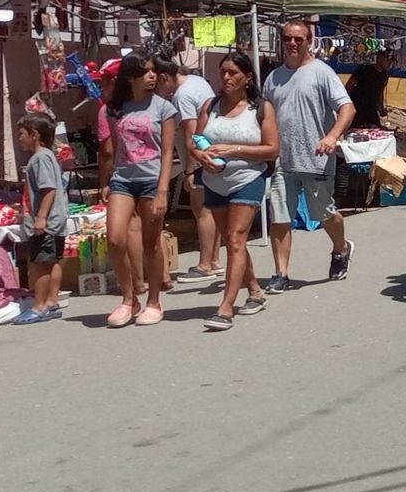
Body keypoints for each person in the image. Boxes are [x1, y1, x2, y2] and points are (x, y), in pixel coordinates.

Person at [263, 21, 355, 292]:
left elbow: (347, 108)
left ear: (309, 40)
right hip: (283, 161)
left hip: (315, 159)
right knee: (279, 217)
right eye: (287, 39)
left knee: (324, 214)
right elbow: (266, 117)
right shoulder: (273, 78)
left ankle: (341, 248)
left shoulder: (321, 73)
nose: (292, 44)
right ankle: (281, 273)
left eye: (298, 39)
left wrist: (332, 136)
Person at [195, 52, 279, 329]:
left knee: (235, 239)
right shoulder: (210, 105)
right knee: (234, 243)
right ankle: (254, 290)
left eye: (233, 73)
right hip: (214, 181)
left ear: (248, 77)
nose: (227, 78)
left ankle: (226, 307)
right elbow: (197, 141)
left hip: (248, 177)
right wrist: (201, 156)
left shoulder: (261, 108)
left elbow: (272, 149)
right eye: (223, 73)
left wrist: (235, 149)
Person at [102, 53, 179, 326]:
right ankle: (128, 297)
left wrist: (162, 190)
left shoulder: (163, 107)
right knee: (115, 238)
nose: (152, 76)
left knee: (151, 242)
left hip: (152, 179)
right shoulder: (116, 108)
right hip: (122, 178)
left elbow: (169, 151)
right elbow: (113, 148)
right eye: (146, 71)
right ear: (131, 76)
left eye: (153, 71)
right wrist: (106, 181)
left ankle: (154, 301)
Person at [157, 57, 221, 283]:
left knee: (201, 210)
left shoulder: (182, 95)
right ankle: (214, 260)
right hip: (212, 153)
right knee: (213, 209)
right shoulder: (198, 81)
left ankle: (205, 264)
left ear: (165, 77)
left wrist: (190, 169)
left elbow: (191, 133)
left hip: (199, 159)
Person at [12, 114, 65, 325]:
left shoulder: (39, 158)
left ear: (34, 135)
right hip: (55, 220)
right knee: (52, 262)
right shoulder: (48, 156)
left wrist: (40, 217)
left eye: (22, 134)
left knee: (41, 263)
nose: (19, 139)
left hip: (47, 222)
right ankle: (52, 301)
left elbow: (48, 189)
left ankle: (40, 305)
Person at [347, 48, 392, 130]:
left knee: (375, 130)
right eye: (387, 60)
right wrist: (348, 105)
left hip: (371, 110)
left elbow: (380, 91)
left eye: (391, 61)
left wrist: (381, 108)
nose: (389, 63)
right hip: (358, 107)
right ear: (379, 58)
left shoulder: (385, 74)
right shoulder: (364, 69)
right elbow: (349, 86)